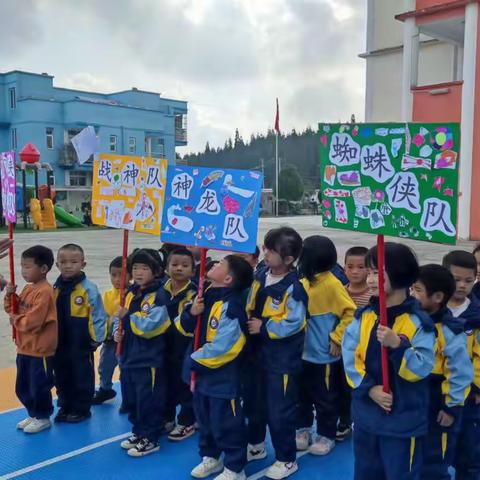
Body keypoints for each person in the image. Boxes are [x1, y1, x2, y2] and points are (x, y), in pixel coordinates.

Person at [343, 242, 435, 480]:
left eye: (378, 273)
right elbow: (350, 357)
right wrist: (369, 388)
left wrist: (398, 346)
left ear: (400, 274)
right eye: (370, 272)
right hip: (366, 416)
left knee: (400, 473)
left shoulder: (418, 323)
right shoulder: (364, 316)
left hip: (402, 421)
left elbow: (422, 368)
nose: (370, 279)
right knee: (366, 471)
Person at [176, 255, 253, 480]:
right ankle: (210, 457)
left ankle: (235, 467)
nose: (214, 264)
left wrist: (193, 361)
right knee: (205, 419)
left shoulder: (232, 307)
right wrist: (191, 313)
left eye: (220, 264)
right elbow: (183, 327)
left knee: (226, 422)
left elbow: (226, 347)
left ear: (227, 278)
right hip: (201, 377)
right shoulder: (204, 295)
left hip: (223, 378)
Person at [246, 227, 308, 479]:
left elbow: (295, 322)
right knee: (255, 404)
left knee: (280, 409)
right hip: (257, 355)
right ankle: (256, 445)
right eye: (266, 247)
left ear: (290, 260)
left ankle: (286, 458)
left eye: (272, 251)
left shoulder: (294, 288)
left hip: (281, 360)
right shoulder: (261, 274)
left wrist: (265, 326)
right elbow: (250, 301)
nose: (266, 253)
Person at [295, 236, 356, 455]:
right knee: (300, 396)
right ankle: (302, 429)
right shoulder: (303, 281)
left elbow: (350, 314)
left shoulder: (332, 284)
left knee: (325, 398)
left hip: (322, 356)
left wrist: (336, 338)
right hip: (301, 353)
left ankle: (326, 434)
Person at [411, 264, 472, 480]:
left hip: (438, 403)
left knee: (435, 458)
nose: (411, 294)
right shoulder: (410, 321)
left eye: (417, 290)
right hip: (413, 400)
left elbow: (460, 374)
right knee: (411, 455)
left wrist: (450, 408)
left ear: (437, 297)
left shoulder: (450, 331)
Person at [115, 249, 169, 457]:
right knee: (133, 398)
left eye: (144, 268)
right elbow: (120, 321)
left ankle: (151, 437)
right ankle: (138, 431)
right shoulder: (131, 293)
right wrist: (118, 332)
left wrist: (128, 318)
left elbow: (151, 326)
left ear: (156, 271)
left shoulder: (158, 296)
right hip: (129, 355)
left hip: (149, 359)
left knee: (149, 399)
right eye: (135, 268)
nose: (138, 272)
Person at [5, 246, 57, 433]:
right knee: (22, 387)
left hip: (40, 349)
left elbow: (34, 321)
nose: (23, 271)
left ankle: (43, 416)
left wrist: (16, 320)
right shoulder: (27, 289)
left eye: (27, 267)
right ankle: (33, 413)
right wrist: (10, 295)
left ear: (43, 269)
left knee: (39, 386)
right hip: (24, 348)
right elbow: (13, 309)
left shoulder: (44, 291)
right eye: (21, 266)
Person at [53, 244, 106, 423]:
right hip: (59, 342)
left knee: (81, 374)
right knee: (61, 373)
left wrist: (96, 338)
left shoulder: (88, 288)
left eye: (74, 262)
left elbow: (98, 314)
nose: (68, 265)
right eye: (63, 262)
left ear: (83, 264)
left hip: (81, 341)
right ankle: (65, 404)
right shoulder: (55, 288)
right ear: (56, 265)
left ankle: (81, 408)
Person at [442, 250, 480, 479]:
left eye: (469, 280)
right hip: (439, 394)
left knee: (470, 452)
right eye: (456, 279)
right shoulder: (432, 310)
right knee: (437, 451)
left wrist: (476, 387)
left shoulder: (476, 315)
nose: (462, 285)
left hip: (469, 399)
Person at [336, 245, 372, 441]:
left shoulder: (374, 296)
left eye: (361, 267)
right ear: (344, 269)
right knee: (342, 388)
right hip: (342, 352)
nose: (355, 271)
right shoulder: (340, 292)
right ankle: (344, 421)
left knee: (362, 388)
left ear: (370, 269)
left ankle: (362, 421)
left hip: (366, 353)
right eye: (350, 267)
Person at [163, 247, 197, 440]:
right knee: (164, 382)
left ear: (193, 270)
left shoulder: (194, 293)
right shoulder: (161, 290)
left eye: (185, 265)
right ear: (167, 268)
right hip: (162, 345)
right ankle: (166, 417)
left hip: (184, 345)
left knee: (184, 384)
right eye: (174, 264)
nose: (178, 269)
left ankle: (186, 421)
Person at [93, 256, 131, 405]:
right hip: (109, 340)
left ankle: (128, 396)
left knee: (125, 369)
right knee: (104, 366)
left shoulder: (131, 295)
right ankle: (105, 388)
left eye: (121, 275)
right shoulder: (107, 295)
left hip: (124, 341)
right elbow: (101, 316)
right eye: (113, 275)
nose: (116, 279)